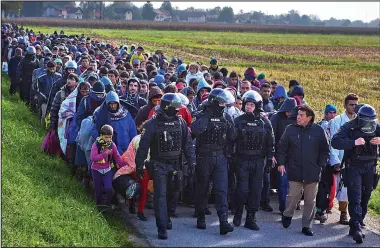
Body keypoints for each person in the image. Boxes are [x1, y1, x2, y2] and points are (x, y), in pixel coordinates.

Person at [135, 93, 196, 240]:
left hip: (176, 164)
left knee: (174, 192)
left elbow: (188, 145)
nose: (177, 110)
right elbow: (143, 147)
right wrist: (139, 165)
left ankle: (167, 215)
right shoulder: (152, 124)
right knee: (160, 195)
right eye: (175, 107)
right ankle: (161, 227)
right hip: (158, 164)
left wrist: (192, 163)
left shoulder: (181, 123)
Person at [278, 105, 330, 236]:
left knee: (310, 201)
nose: (298, 117)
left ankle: (307, 225)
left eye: (301, 115)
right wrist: (281, 163)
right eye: (298, 114)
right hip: (295, 170)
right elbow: (282, 147)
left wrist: (321, 164)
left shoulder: (318, 131)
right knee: (293, 196)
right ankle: (287, 214)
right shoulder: (290, 129)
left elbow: (325, 150)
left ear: (309, 117)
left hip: (312, 172)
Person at [331, 104, 380, 244]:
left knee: (366, 196)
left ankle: (357, 222)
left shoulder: (376, 127)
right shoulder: (349, 126)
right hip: (354, 167)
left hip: (370, 167)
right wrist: (353, 142)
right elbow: (335, 141)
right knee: (355, 197)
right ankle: (357, 226)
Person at [191, 88, 236, 235]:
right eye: (221, 102)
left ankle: (223, 221)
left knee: (221, 189)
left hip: (220, 158)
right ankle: (201, 216)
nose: (223, 105)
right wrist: (207, 115)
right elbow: (195, 130)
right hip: (204, 157)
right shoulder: (201, 114)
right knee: (203, 189)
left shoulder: (227, 117)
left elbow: (233, 137)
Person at [232, 90, 275, 231]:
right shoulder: (238, 120)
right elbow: (231, 141)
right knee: (242, 190)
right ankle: (238, 212)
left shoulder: (265, 122)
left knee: (256, 190)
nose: (249, 107)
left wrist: (269, 158)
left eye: (252, 105)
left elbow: (270, 142)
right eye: (247, 104)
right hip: (242, 159)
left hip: (258, 160)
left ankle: (251, 217)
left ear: (257, 106)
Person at [329, 93, 359, 225]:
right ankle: (343, 213)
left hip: (358, 159)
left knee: (357, 188)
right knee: (344, 188)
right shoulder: (337, 121)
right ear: (345, 105)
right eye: (351, 104)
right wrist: (335, 161)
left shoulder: (361, 120)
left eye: (356, 105)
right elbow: (333, 143)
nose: (354, 107)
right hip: (343, 159)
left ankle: (357, 215)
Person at [90, 124, 126, 213]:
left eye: (110, 137)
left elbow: (117, 157)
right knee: (98, 189)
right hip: (96, 170)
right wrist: (105, 154)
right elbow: (93, 158)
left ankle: (108, 205)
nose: (109, 139)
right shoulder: (96, 145)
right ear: (101, 135)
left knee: (109, 188)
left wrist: (124, 166)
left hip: (107, 169)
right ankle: (99, 206)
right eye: (106, 137)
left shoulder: (112, 145)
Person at [315, 104, 337, 223]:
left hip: (331, 162)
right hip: (320, 161)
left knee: (328, 187)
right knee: (321, 186)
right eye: (330, 112)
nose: (332, 115)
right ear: (326, 113)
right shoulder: (319, 126)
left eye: (334, 113)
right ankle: (319, 210)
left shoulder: (337, 126)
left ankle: (323, 207)